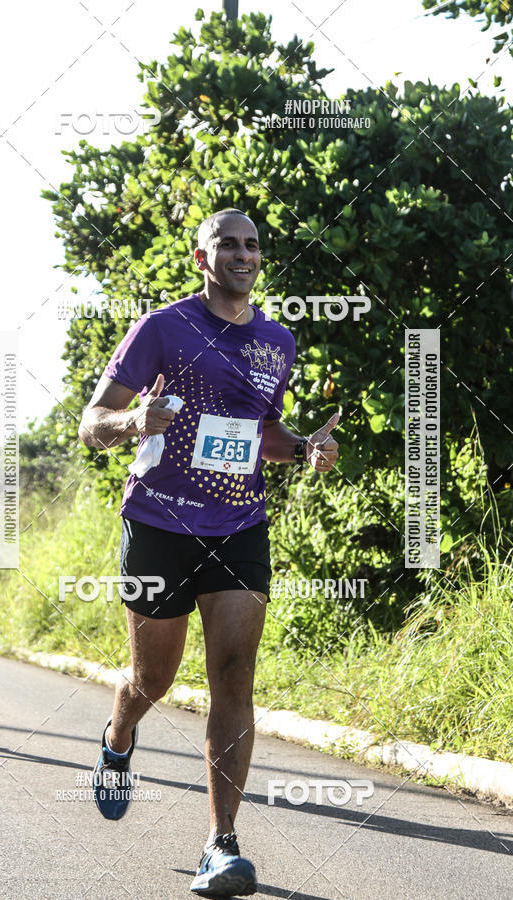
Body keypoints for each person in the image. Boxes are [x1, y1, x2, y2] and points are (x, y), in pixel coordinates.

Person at [79, 209, 339, 898]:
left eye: (253, 245)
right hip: (160, 522)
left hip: (239, 525)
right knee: (152, 679)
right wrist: (133, 421)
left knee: (233, 673)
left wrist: (304, 448)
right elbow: (91, 423)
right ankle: (118, 736)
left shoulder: (277, 341)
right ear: (202, 257)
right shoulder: (162, 327)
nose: (243, 254)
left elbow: (262, 433)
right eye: (228, 243)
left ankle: (221, 844)